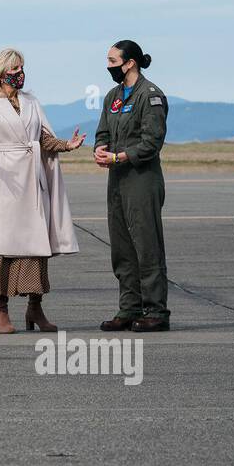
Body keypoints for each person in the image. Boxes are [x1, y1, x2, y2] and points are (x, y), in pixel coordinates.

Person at [0, 48, 86, 333]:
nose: (20, 74)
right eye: (15, 70)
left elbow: (44, 138)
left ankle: (35, 308)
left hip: (31, 182)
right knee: (1, 246)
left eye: (22, 69)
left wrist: (66, 145)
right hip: (1, 182)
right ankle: (1, 310)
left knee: (34, 247)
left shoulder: (32, 101)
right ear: (1, 72)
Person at [92, 40, 171, 331]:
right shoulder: (113, 96)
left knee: (146, 245)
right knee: (122, 247)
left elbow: (152, 142)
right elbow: (103, 130)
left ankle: (156, 311)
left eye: (113, 60)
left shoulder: (150, 96)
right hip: (117, 179)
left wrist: (121, 156)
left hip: (141, 178)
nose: (109, 66)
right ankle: (129, 307)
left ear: (130, 63)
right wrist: (101, 149)